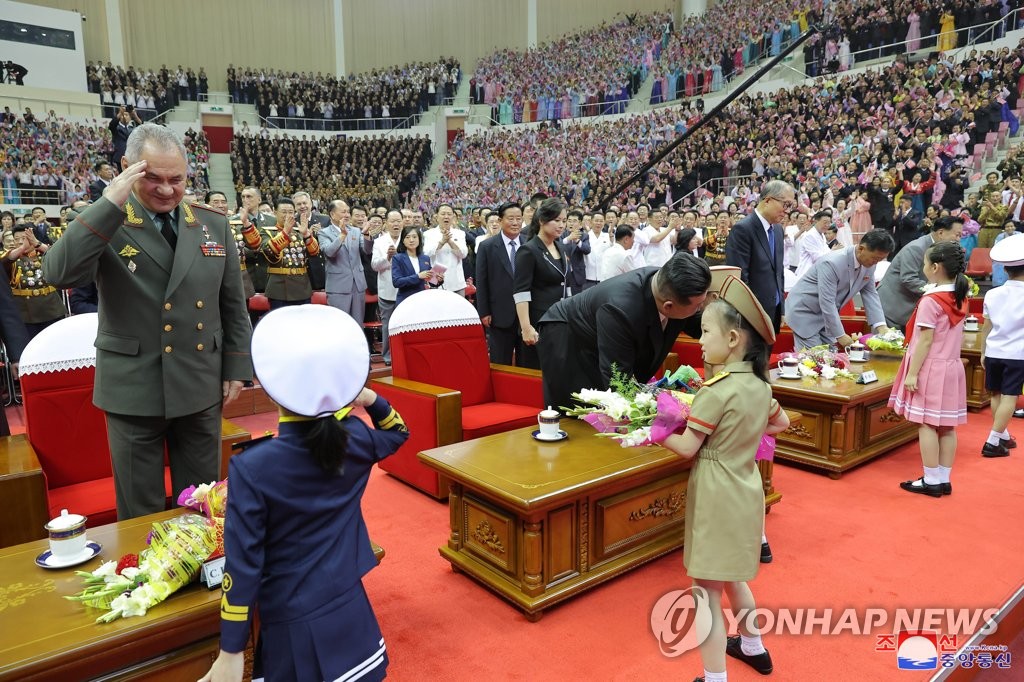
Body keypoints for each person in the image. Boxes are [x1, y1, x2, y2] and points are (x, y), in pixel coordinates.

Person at [42, 123, 253, 520]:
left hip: (199, 382)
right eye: (152, 177)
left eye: (177, 179)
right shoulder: (105, 218)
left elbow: (232, 305)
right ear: (127, 167)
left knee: (202, 503)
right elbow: (58, 273)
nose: (166, 189)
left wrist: (237, 368)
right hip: (134, 387)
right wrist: (109, 203)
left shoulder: (212, 224)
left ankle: (201, 578)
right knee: (141, 510)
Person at [198, 305, 408, 682]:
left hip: (292, 625)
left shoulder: (254, 467)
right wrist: (369, 399)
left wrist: (231, 649)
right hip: (351, 612)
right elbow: (397, 433)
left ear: (274, 390)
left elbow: (243, 565)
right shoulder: (355, 439)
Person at [653, 275, 790, 682]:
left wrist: (655, 430)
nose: (699, 339)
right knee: (733, 576)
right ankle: (753, 646)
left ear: (733, 339)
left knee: (706, 591)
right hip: (746, 486)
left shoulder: (716, 389)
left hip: (716, 490)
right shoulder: (759, 387)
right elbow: (779, 424)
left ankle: (714, 677)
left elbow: (688, 448)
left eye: (706, 331)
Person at [537, 253, 711, 411]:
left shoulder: (674, 286)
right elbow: (618, 380)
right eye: (698, 306)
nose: (701, 309)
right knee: (582, 409)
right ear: (669, 306)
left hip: (601, 333)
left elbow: (701, 326)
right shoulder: (620, 310)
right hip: (567, 336)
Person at [888, 241, 969, 497]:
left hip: (931, 368)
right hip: (952, 366)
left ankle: (931, 479)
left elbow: (925, 340)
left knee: (926, 424)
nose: (923, 267)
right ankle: (943, 478)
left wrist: (912, 373)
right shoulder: (960, 294)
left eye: (925, 263)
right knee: (946, 426)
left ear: (935, 267)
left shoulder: (931, 300)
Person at [785, 230, 894, 351]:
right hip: (805, 311)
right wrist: (840, 335)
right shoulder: (832, 262)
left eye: (880, 260)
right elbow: (827, 301)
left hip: (827, 315)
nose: (876, 263)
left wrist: (881, 325)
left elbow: (870, 293)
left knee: (832, 356)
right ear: (861, 249)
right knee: (815, 359)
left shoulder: (869, 265)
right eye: (875, 258)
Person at [978, 234, 1024, 457]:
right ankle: (992, 441)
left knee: (996, 394)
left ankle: (1003, 434)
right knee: (1010, 396)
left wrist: (983, 352)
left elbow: (986, 326)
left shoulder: (993, 293)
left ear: (1005, 270)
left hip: (994, 349)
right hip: (1018, 353)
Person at [726, 180, 792, 333]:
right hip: (752, 315)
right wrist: (754, 313)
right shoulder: (743, 229)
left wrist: (781, 308)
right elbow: (740, 279)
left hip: (773, 310)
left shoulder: (777, 230)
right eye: (786, 204)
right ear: (768, 200)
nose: (787, 211)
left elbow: (778, 272)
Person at [878, 216, 964, 331]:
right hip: (894, 306)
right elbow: (908, 279)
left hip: (912, 306)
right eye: (957, 235)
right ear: (941, 233)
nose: (958, 240)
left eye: (960, 236)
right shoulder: (916, 248)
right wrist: (936, 291)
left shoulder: (943, 250)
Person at [514, 198, 569, 370]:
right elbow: (521, 292)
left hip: (560, 320)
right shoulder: (528, 250)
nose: (561, 225)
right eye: (557, 220)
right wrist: (526, 327)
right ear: (542, 221)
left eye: (564, 221)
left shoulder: (561, 247)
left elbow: (565, 284)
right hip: (539, 322)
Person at [475, 202, 525, 365]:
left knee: (527, 364)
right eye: (511, 218)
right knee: (500, 362)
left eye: (519, 218)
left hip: (527, 316)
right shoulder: (487, 246)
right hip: (499, 314)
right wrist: (484, 311)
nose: (515, 222)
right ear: (500, 220)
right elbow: (481, 281)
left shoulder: (530, 244)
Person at [260, 197, 320, 309]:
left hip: (302, 286)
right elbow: (269, 252)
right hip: (279, 288)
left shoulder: (300, 232)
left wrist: (307, 234)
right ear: (275, 212)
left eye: (291, 212)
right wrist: (285, 232)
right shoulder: (267, 231)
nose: (287, 215)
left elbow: (315, 252)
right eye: (284, 212)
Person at [318, 200, 368, 326]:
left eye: (348, 211)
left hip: (358, 285)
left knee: (357, 324)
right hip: (338, 287)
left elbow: (367, 250)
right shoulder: (323, 232)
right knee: (339, 325)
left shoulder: (356, 231)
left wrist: (366, 235)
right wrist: (342, 235)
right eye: (343, 212)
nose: (347, 215)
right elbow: (329, 252)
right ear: (332, 214)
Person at [370, 210, 404, 365]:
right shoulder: (380, 242)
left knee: (406, 323)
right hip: (387, 289)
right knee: (387, 325)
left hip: (406, 289)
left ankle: (405, 353)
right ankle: (388, 357)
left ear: (403, 222)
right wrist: (388, 257)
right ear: (387, 223)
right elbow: (375, 265)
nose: (396, 224)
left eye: (398, 221)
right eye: (393, 221)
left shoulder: (409, 238)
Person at [392, 225, 436, 306]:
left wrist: (437, 279)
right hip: (405, 300)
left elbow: (430, 280)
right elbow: (396, 282)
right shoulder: (397, 258)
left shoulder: (425, 258)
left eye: (414, 237)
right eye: (407, 237)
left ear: (419, 239)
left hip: (422, 300)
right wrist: (418, 276)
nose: (411, 240)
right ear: (403, 241)